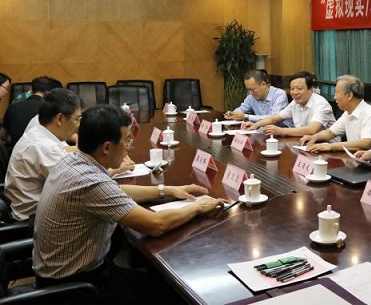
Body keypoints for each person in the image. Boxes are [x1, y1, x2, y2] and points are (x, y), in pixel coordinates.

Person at [33, 105, 226, 302]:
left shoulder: (75, 160)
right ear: (107, 147)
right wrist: (197, 207)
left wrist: (167, 190)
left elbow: (115, 191)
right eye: (127, 140)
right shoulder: (88, 181)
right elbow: (156, 225)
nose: (129, 146)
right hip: (74, 288)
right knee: (172, 293)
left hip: (68, 275)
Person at [4, 88, 134, 221]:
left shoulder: (42, 130)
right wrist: (117, 168)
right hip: (32, 219)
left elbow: (68, 151)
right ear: (60, 118)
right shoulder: (45, 148)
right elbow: (83, 182)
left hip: (38, 208)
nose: (79, 125)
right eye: (78, 119)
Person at [302, 75, 371, 152]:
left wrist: (330, 146)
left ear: (349, 95)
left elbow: (366, 143)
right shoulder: (348, 113)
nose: (334, 97)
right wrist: (313, 137)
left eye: (337, 93)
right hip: (359, 159)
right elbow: (330, 132)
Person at [243, 71, 335, 137]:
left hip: (330, 150)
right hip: (304, 144)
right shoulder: (295, 103)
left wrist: (282, 131)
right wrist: (256, 125)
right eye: (292, 89)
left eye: (299, 88)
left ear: (311, 89)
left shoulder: (320, 104)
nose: (295, 92)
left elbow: (312, 130)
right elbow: (275, 118)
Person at [0, 76, 62, 147]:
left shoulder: (13, 107)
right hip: (45, 151)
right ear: (49, 93)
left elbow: (3, 136)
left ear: (31, 90)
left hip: (16, 151)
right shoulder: (52, 109)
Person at [224, 69, 292, 127]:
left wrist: (246, 117)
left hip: (283, 131)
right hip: (262, 130)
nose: (250, 92)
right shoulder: (251, 96)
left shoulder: (279, 94)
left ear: (263, 84)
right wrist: (232, 114)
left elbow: (273, 118)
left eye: (252, 89)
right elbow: (242, 109)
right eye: (248, 90)